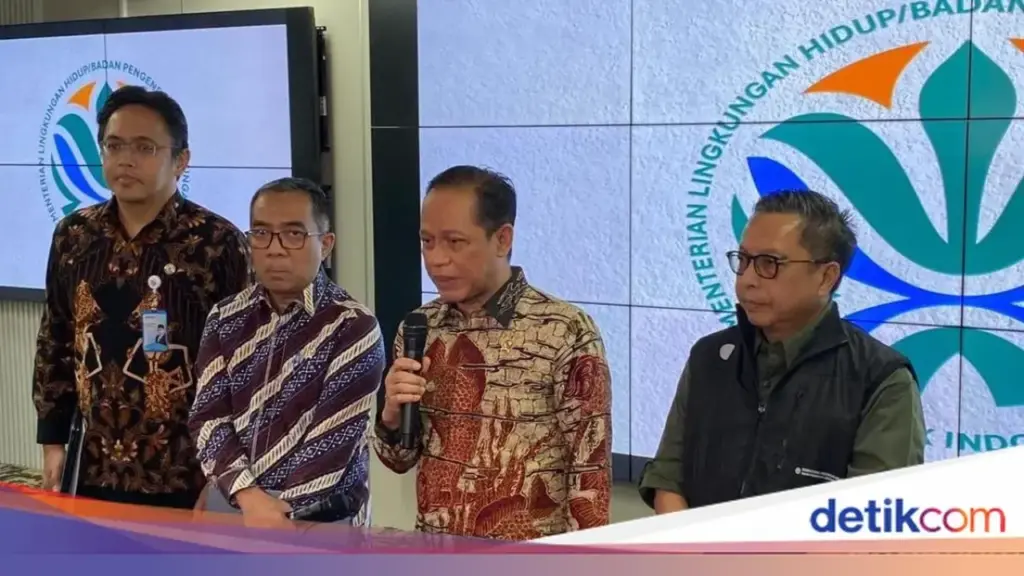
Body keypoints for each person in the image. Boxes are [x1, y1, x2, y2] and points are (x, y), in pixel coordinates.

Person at [638, 190, 926, 513]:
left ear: (826, 277)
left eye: (769, 263)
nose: (747, 280)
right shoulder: (710, 357)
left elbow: (873, 516)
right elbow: (668, 476)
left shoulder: (881, 379)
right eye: (743, 260)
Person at [32, 86, 250, 509]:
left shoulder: (217, 243)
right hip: (91, 463)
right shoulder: (74, 236)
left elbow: (241, 363)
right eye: (114, 146)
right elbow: (55, 339)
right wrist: (52, 439)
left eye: (144, 147)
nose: (125, 160)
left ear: (181, 160)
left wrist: (228, 471)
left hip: (187, 469)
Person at [373, 165, 612, 539]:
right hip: (434, 553)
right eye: (427, 241)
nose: (435, 259)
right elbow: (399, 460)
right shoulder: (420, 327)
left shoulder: (564, 329)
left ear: (502, 239)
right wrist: (390, 416)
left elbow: (590, 477)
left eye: (454, 242)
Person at [188, 177, 385, 530]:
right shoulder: (225, 317)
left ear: (326, 244)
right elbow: (208, 418)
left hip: (320, 518)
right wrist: (247, 495)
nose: (275, 249)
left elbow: (332, 440)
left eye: (294, 234)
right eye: (261, 233)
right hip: (237, 503)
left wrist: (277, 513)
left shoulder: (353, 325)